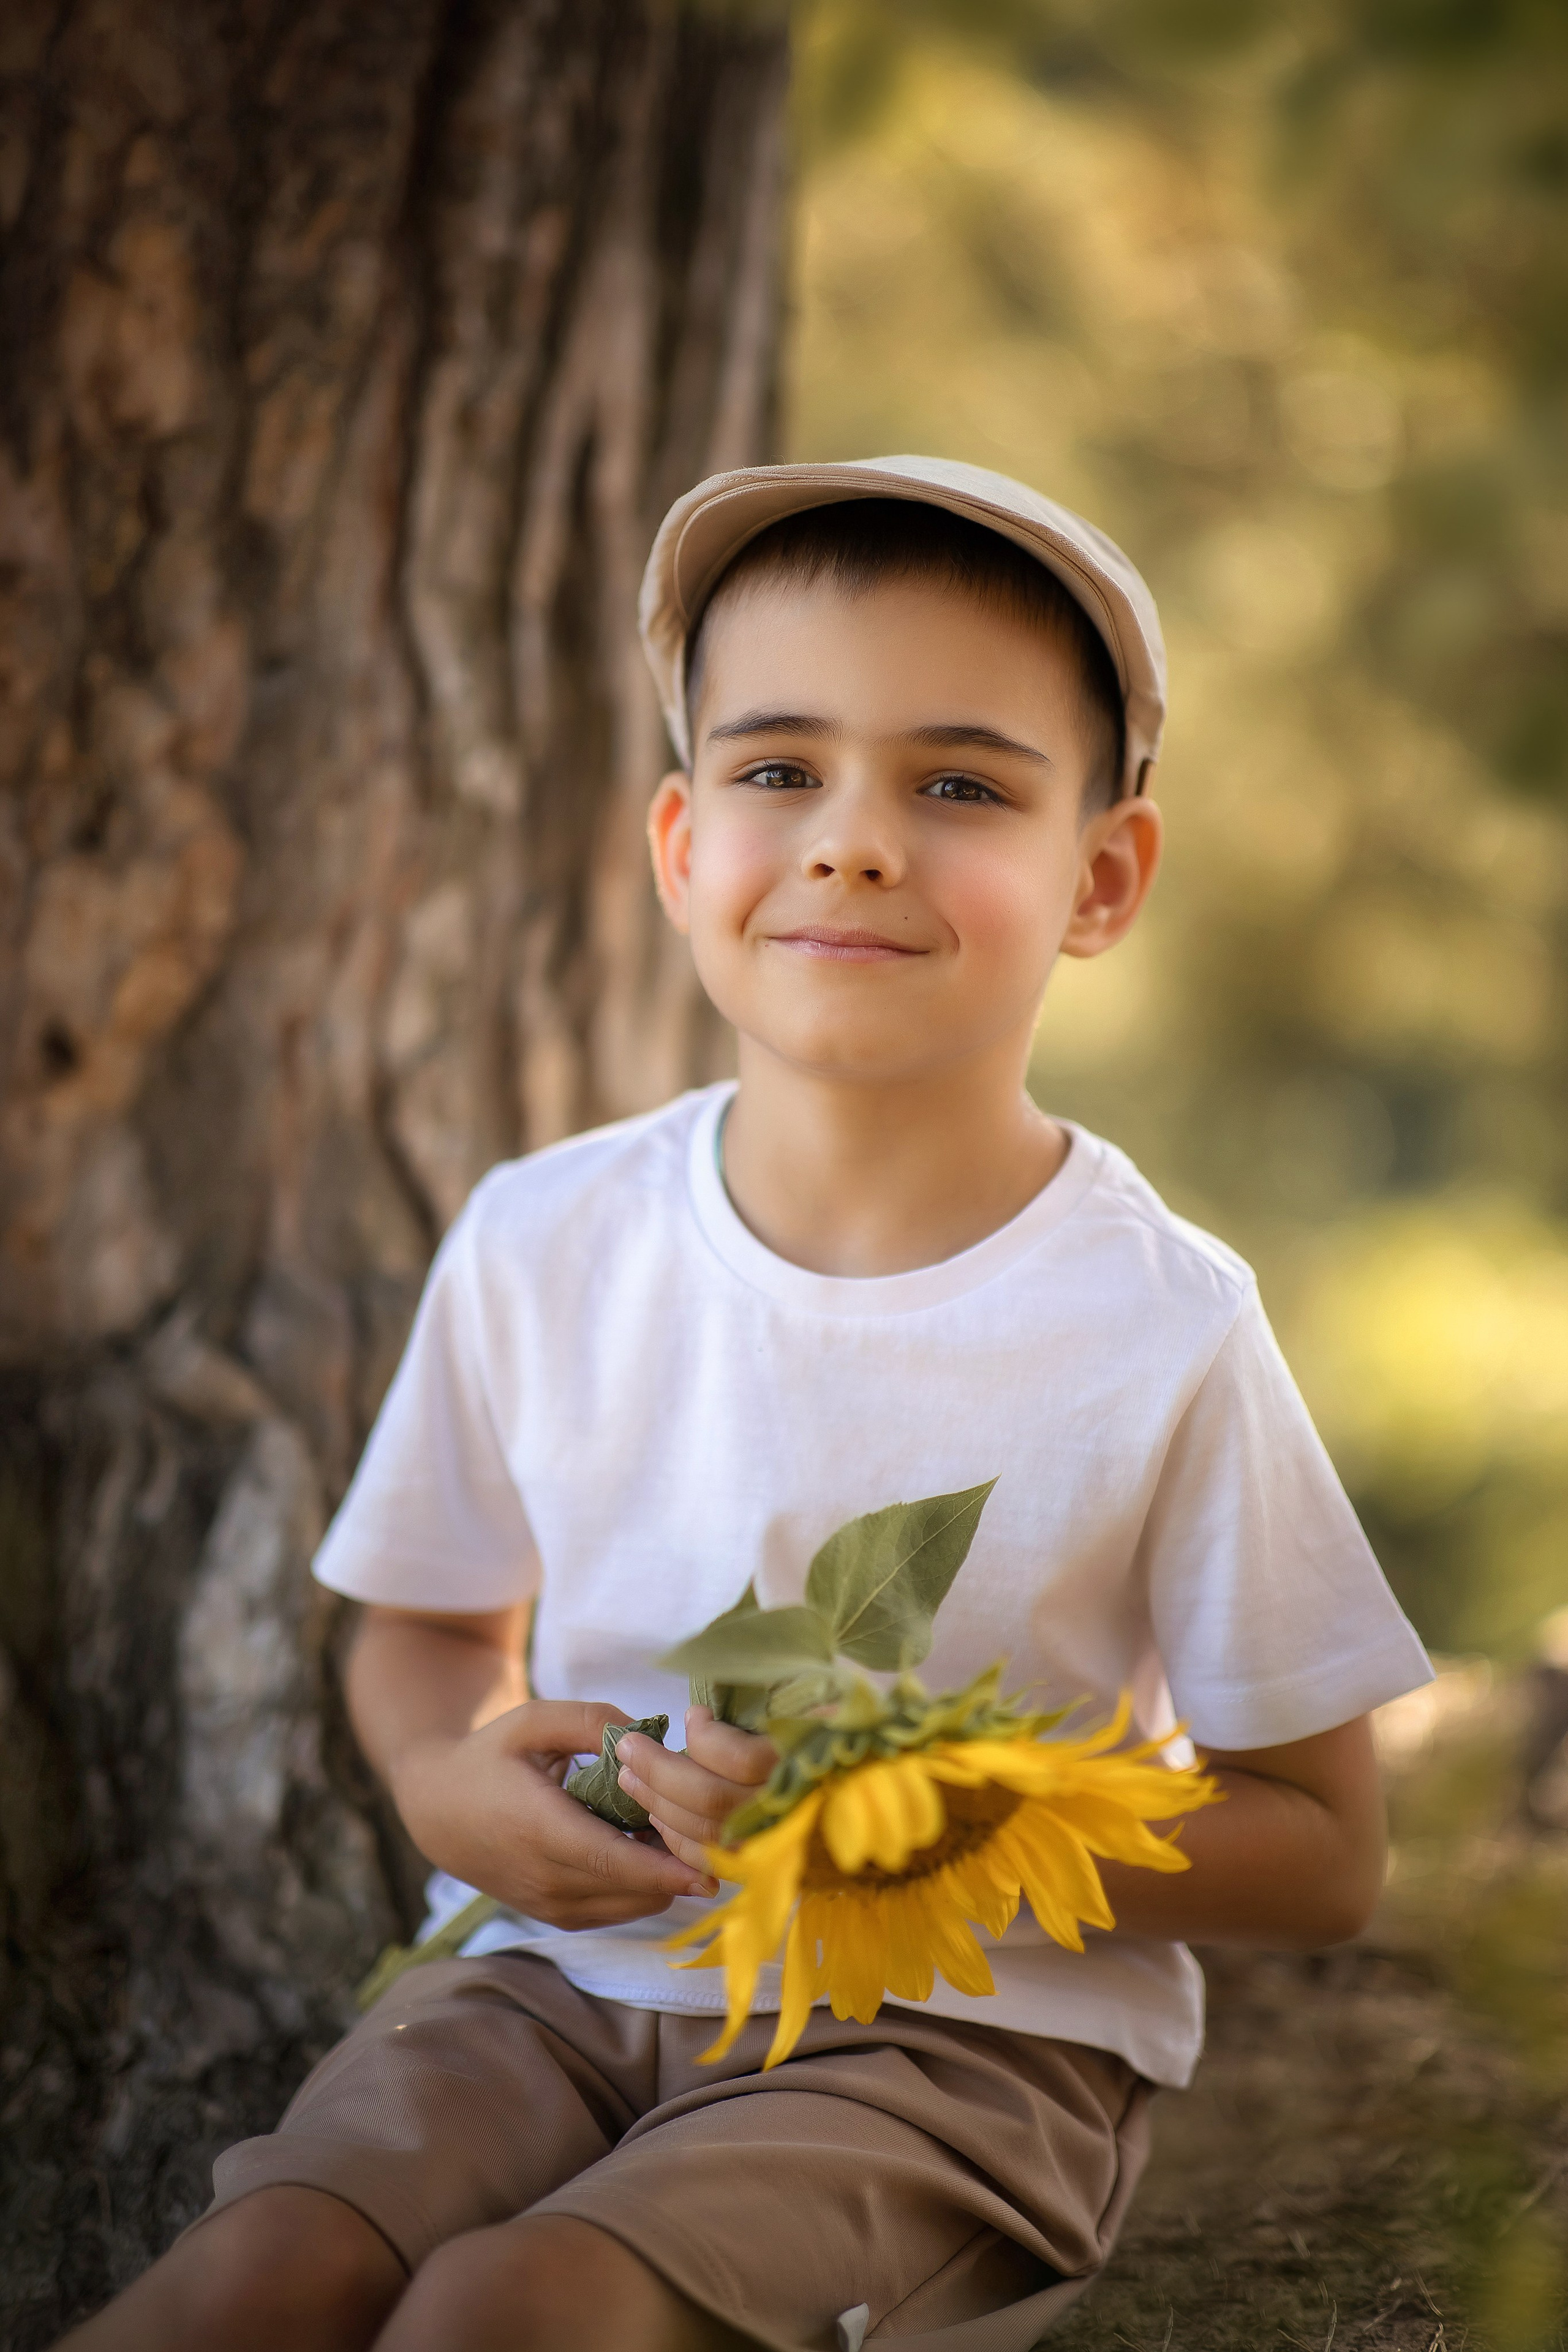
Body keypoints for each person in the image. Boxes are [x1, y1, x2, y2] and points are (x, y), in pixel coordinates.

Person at [59, 457, 1432, 2352]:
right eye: (782, 770)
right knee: (262, 2274)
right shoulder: (545, 1237)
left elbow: (1325, 1851)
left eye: (959, 785)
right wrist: (454, 1781)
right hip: (547, 1983)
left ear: (1102, 878)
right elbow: (428, 1625)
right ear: (681, 844)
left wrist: (961, 1824)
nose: (854, 841)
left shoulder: (1162, 1326)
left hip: (961, 2050)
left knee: (513, 2310)